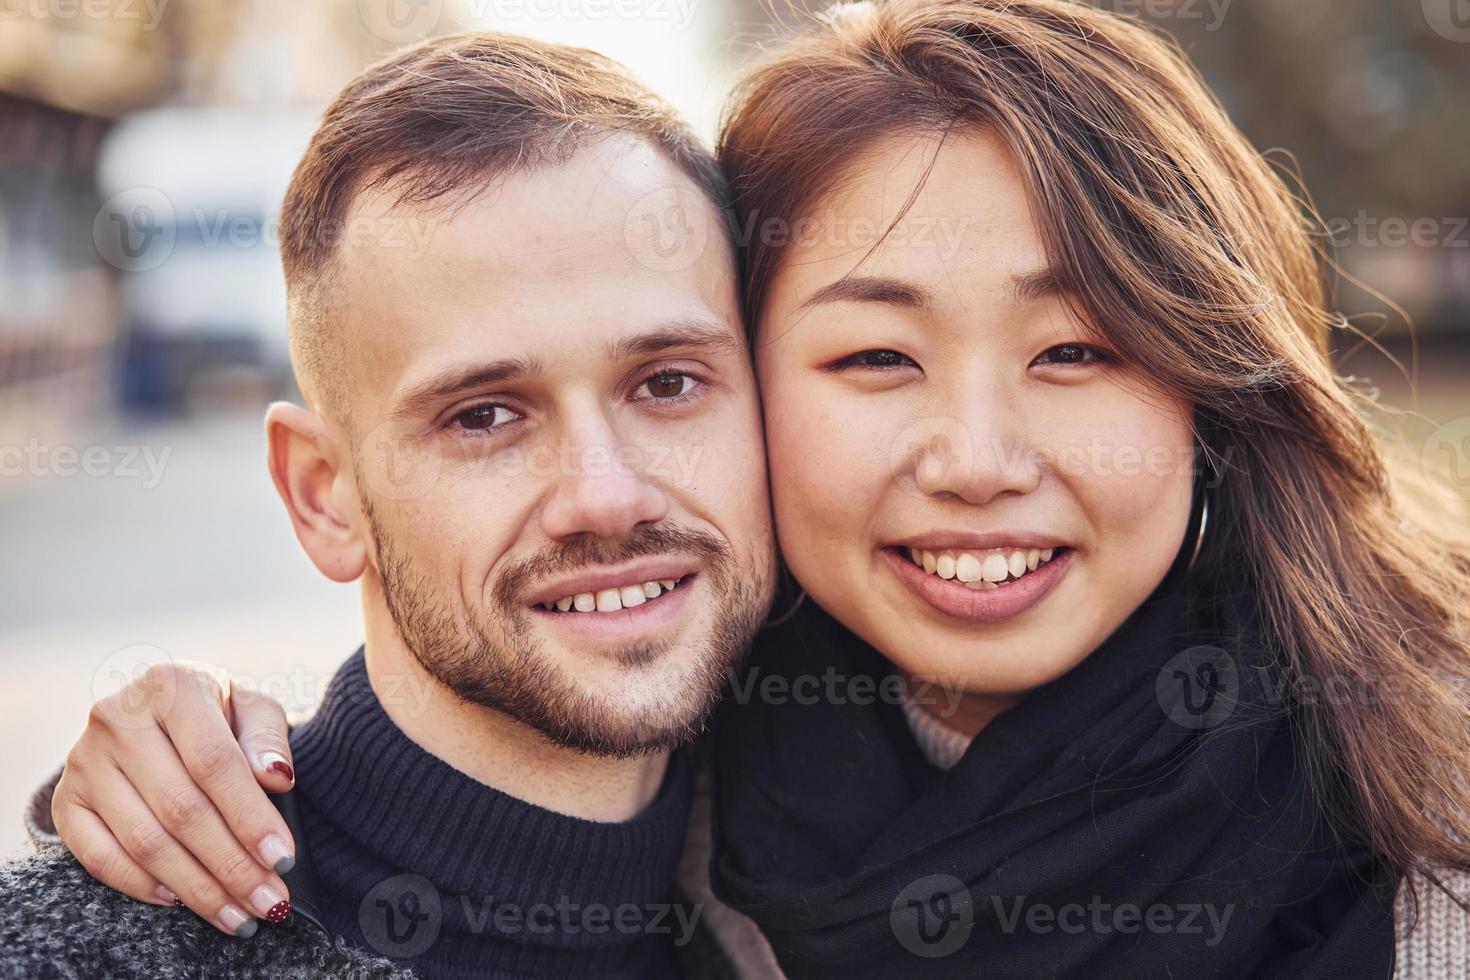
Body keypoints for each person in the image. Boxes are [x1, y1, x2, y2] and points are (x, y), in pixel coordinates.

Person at [22, 0, 1470, 976]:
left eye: (1079, 348)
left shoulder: (1422, 863)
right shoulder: (707, 819)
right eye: (875, 357)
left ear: (1213, 383)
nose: (973, 459)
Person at [0, 29, 774, 979]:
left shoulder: (836, 874)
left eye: (666, 383)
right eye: (484, 414)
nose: (605, 495)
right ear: (324, 496)